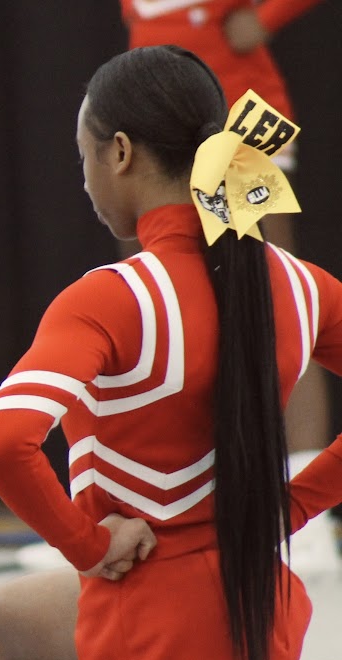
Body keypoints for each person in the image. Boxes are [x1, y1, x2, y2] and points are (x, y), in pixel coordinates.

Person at [0, 46, 330, 660]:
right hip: (238, 596)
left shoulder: (111, 296)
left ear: (123, 154)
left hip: (158, 639)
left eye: (84, 160)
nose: (87, 183)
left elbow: (3, 441)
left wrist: (85, 541)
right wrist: (295, 505)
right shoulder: (294, 281)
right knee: (8, 620)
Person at [17, 0, 337, 575]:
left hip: (228, 115)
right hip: (146, 116)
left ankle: (302, 505)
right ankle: (106, 506)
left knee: (279, 302)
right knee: (146, 314)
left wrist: (266, 17)